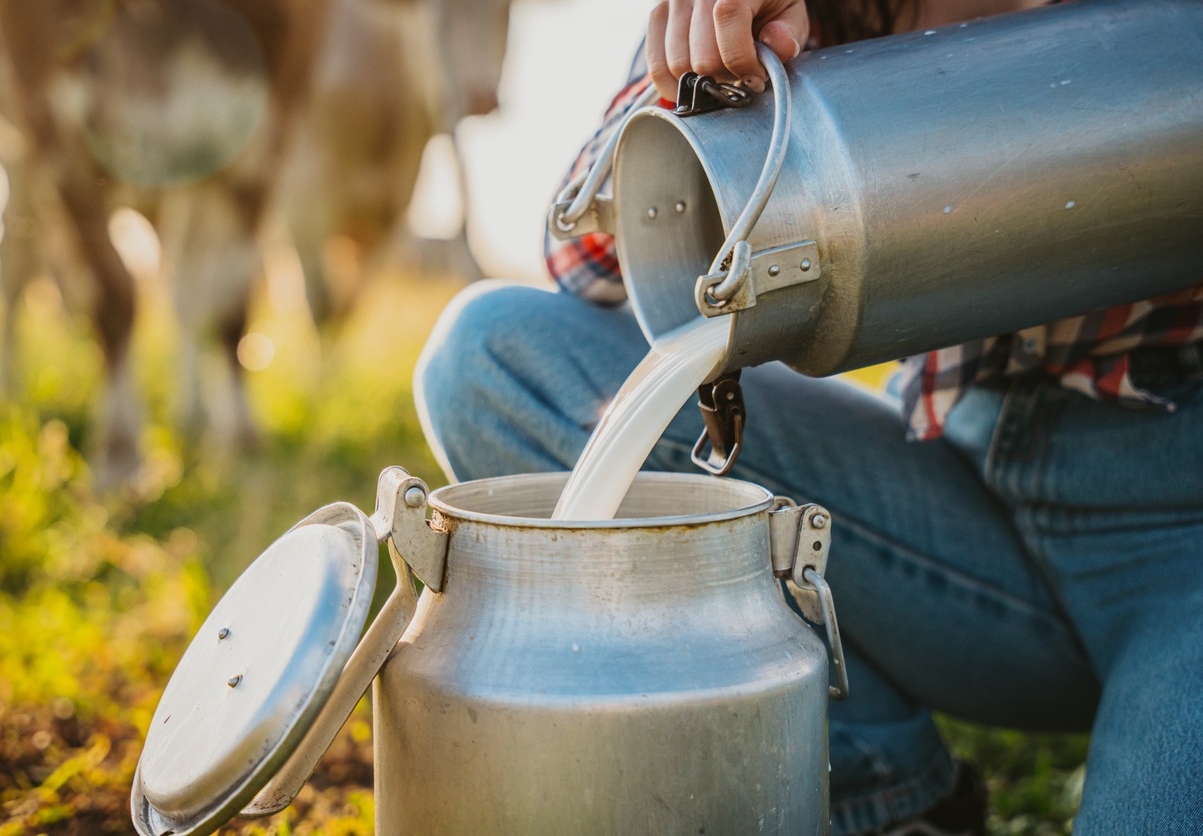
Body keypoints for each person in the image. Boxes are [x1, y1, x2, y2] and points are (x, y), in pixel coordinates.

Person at [414, 1, 1203, 833]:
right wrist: (722, 60)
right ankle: (886, 788)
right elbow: (588, 259)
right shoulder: (825, 17)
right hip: (960, 506)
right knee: (495, 360)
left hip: (1178, 529)